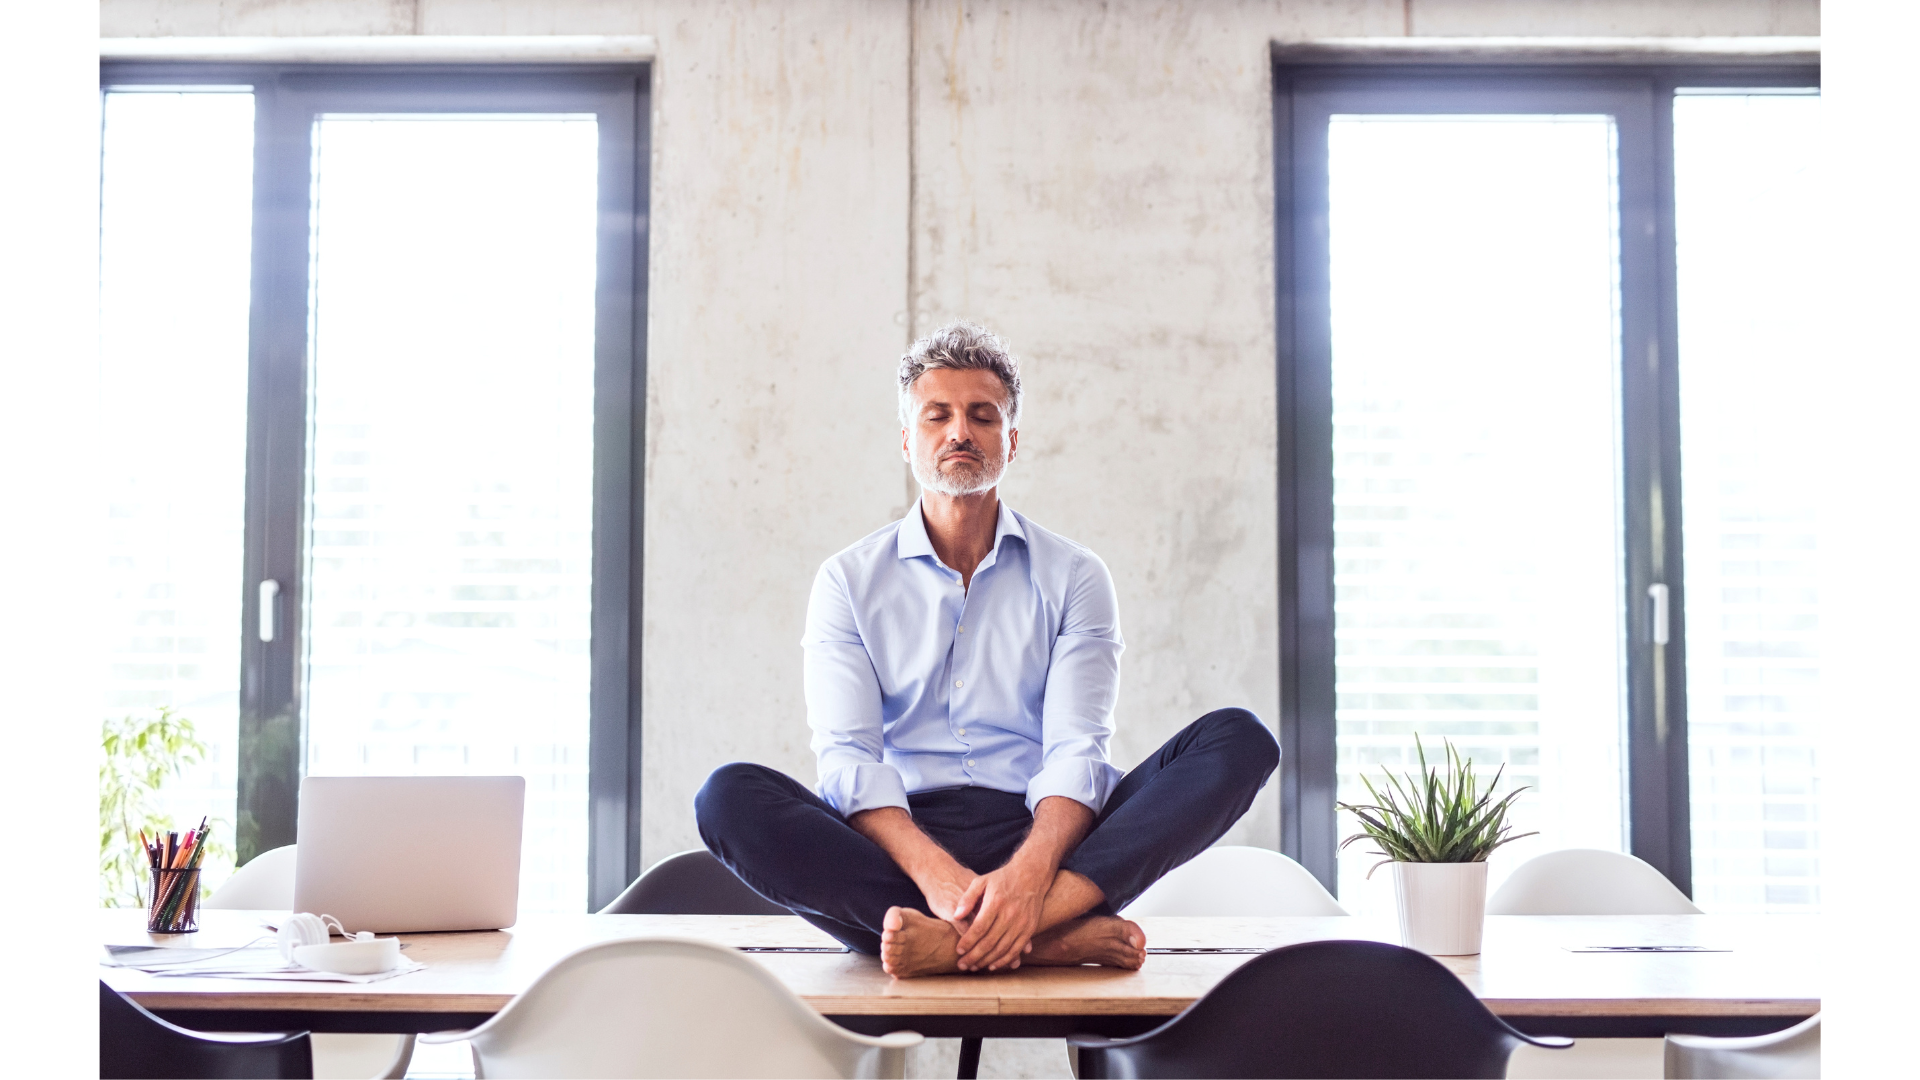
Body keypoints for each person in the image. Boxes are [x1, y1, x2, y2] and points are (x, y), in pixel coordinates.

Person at [695, 322, 1280, 978]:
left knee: (1240, 740)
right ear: (908, 439)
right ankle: (1053, 940)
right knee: (726, 799)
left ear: (1012, 441)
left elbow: (1074, 751)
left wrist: (1028, 883)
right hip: (900, 844)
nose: (959, 432)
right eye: (937, 415)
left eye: (983, 415)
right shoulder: (848, 580)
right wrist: (938, 877)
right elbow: (850, 760)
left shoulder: (1075, 576)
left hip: (1045, 834)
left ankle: (966, 940)